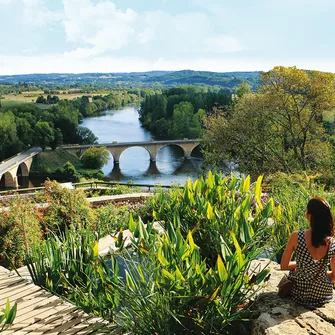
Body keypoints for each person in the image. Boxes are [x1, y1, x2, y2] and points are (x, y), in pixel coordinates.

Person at [280, 197, 335, 307]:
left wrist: (301, 265)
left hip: (300, 293)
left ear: (309, 215)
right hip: (323, 294)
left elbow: (284, 266)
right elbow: (334, 276)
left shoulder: (296, 236)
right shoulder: (332, 242)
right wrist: (321, 274)